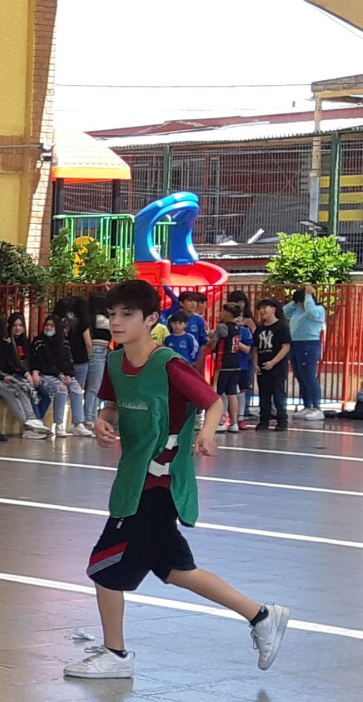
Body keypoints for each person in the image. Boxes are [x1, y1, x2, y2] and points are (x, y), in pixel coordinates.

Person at [65, 280, 291, 681]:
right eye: (112, 315)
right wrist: (104, 420)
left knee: (104, 567)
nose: (116, 322)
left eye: (127, 315)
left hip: (159, 486)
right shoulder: (116, 364)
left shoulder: (168, 363)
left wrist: (206, 433)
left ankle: (116, 656)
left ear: (152, 320)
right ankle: (261, 615)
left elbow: (213, 400)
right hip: (131, 480)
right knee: (175, 570)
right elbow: (114, 405)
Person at [248, 298, 292, 431]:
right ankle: (263, 420)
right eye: (260, 309)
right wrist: (255, 363)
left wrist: (273, 362)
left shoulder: (282, 327)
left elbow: (285, 347)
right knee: (264, 395)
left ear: (273, 309)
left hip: (277, 367)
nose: (262, 311)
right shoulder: (259, 329)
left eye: (265, 308)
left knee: (278, 394)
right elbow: (255, 348)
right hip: (262, 366)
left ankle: (282, 421)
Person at [285, 285, 327, 419]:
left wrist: (308, 296)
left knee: (309, 376)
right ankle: (307, 405)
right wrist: (295, 300)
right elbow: (285, 312)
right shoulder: (297, 309)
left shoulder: (318, 309)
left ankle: (317, 407)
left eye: (301, 302)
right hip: (295, 343)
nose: (300, 305)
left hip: (309, 344)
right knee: (300, 376)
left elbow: (312, 313)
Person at [212, 302, 254, 434]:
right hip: (236, 363)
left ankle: (220, 422)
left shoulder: (222, 327)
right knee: (232, 393)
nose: (220, 314)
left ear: (227, 314)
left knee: (218, 393)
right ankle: (234, 423)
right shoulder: (237, 328)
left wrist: (211, 341)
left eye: (222, 311)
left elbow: (214, 344)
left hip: (224, 362)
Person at [162, 291, 209, 367]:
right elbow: (168, 336)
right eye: (190, 301)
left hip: (191, 361)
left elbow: (203, 342)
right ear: (181, 303)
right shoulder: (172, 318)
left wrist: (198, 360)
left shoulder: (199, 320)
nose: (193, 303)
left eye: (195, 301)